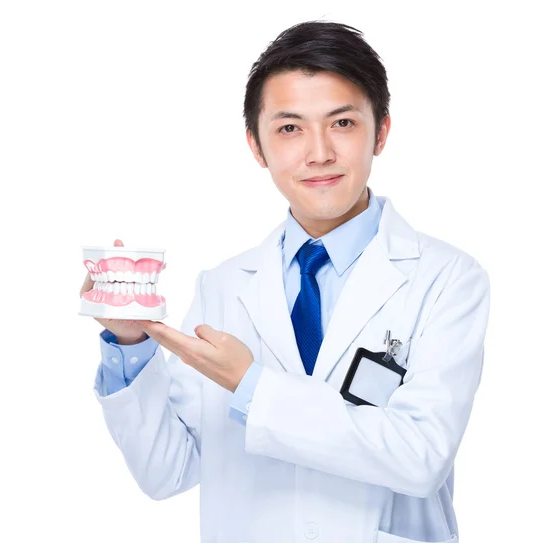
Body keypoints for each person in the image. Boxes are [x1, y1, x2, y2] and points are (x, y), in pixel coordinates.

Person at [79, 20, 490, 543]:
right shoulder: (224, 287)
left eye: (342, 123)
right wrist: (129, 343)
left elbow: (421, 457)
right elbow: (168, 472)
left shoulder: (447, 279)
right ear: (257, 145)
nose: (318, 152)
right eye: (290, 128)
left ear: (381, 131)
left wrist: (252, 386)